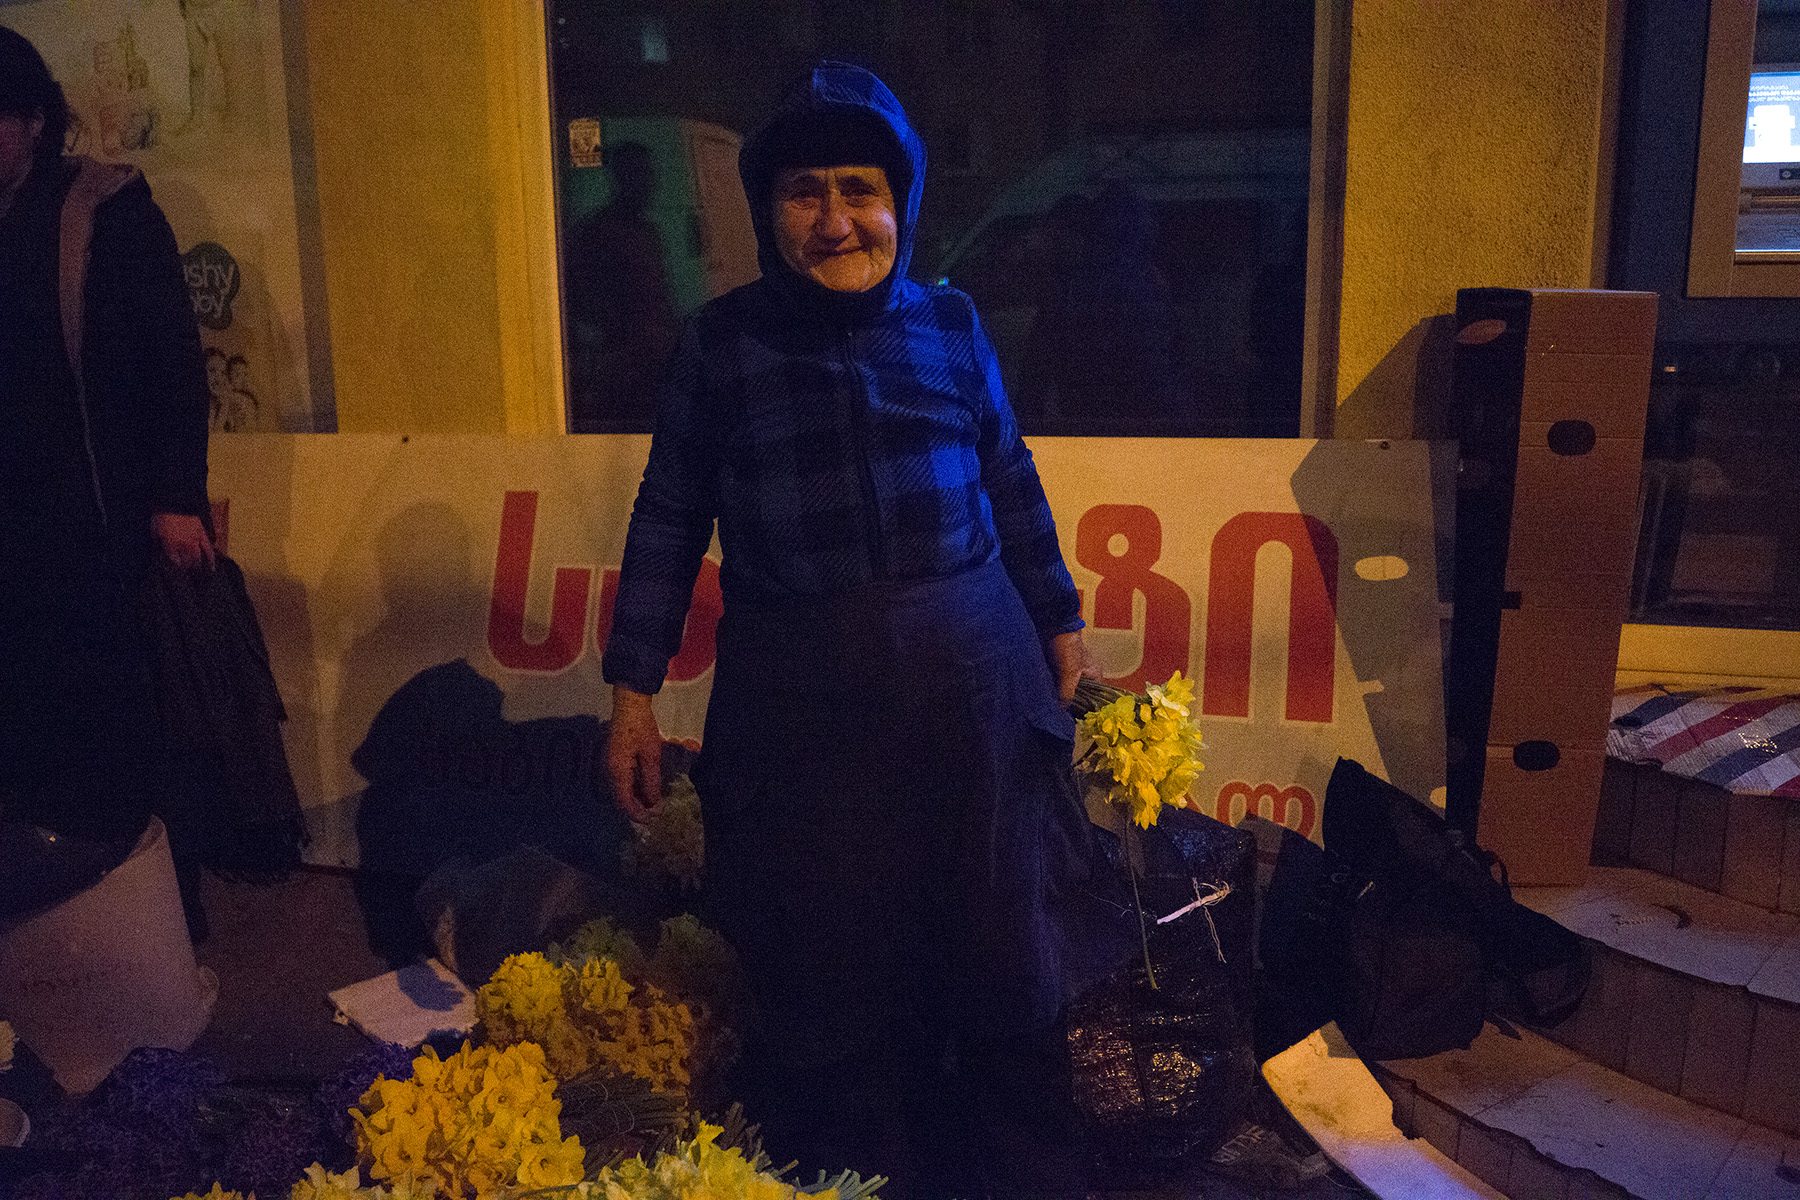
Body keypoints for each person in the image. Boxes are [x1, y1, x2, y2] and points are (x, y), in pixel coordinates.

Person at [602, 62, 1123, 1198]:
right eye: (804, 192)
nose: (837, 219)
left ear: (902, 203)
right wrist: (632, 690)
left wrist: (1062, 632)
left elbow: (1012, 480)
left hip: (976, 704)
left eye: (860, 189)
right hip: (802, 721)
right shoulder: (722, 345)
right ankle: (854, 1176)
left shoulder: (950, 323)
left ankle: (1015, 1174)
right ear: (766, 208)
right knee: (826, 978)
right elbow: (668, 518)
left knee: (1004, 951)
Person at [0, 29, 213, 917]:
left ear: (34, 121)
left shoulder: (103, 212)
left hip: (92, 523)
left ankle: (148, 917)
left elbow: (170, 358)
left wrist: (175, 497)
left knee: (113, 732)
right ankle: (47, 924)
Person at [564, 140, 680, 428]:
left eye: (650, 174)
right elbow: (577, 299)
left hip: (653, 359)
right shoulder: (595, 232)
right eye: (641, 174)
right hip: (624, 366)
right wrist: (621, 340)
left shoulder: (646, 231)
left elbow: (658, 292)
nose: (650, 184)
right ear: (622, 177)